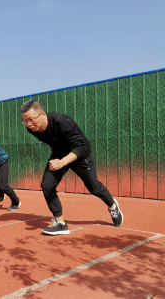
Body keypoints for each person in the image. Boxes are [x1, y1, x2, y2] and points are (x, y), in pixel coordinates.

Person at [20, 100, 123, 235]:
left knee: (94, 188)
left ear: (42, 114)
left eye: (31, 120)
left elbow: (83, 146)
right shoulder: (32, 129)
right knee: (47, 185)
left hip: (80, 154)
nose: (28, 124)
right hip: (59, 154)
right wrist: (60, 159)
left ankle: (112, 205)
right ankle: (61, 224)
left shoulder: (62, 121)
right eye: (25, 121)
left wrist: (63, 162)